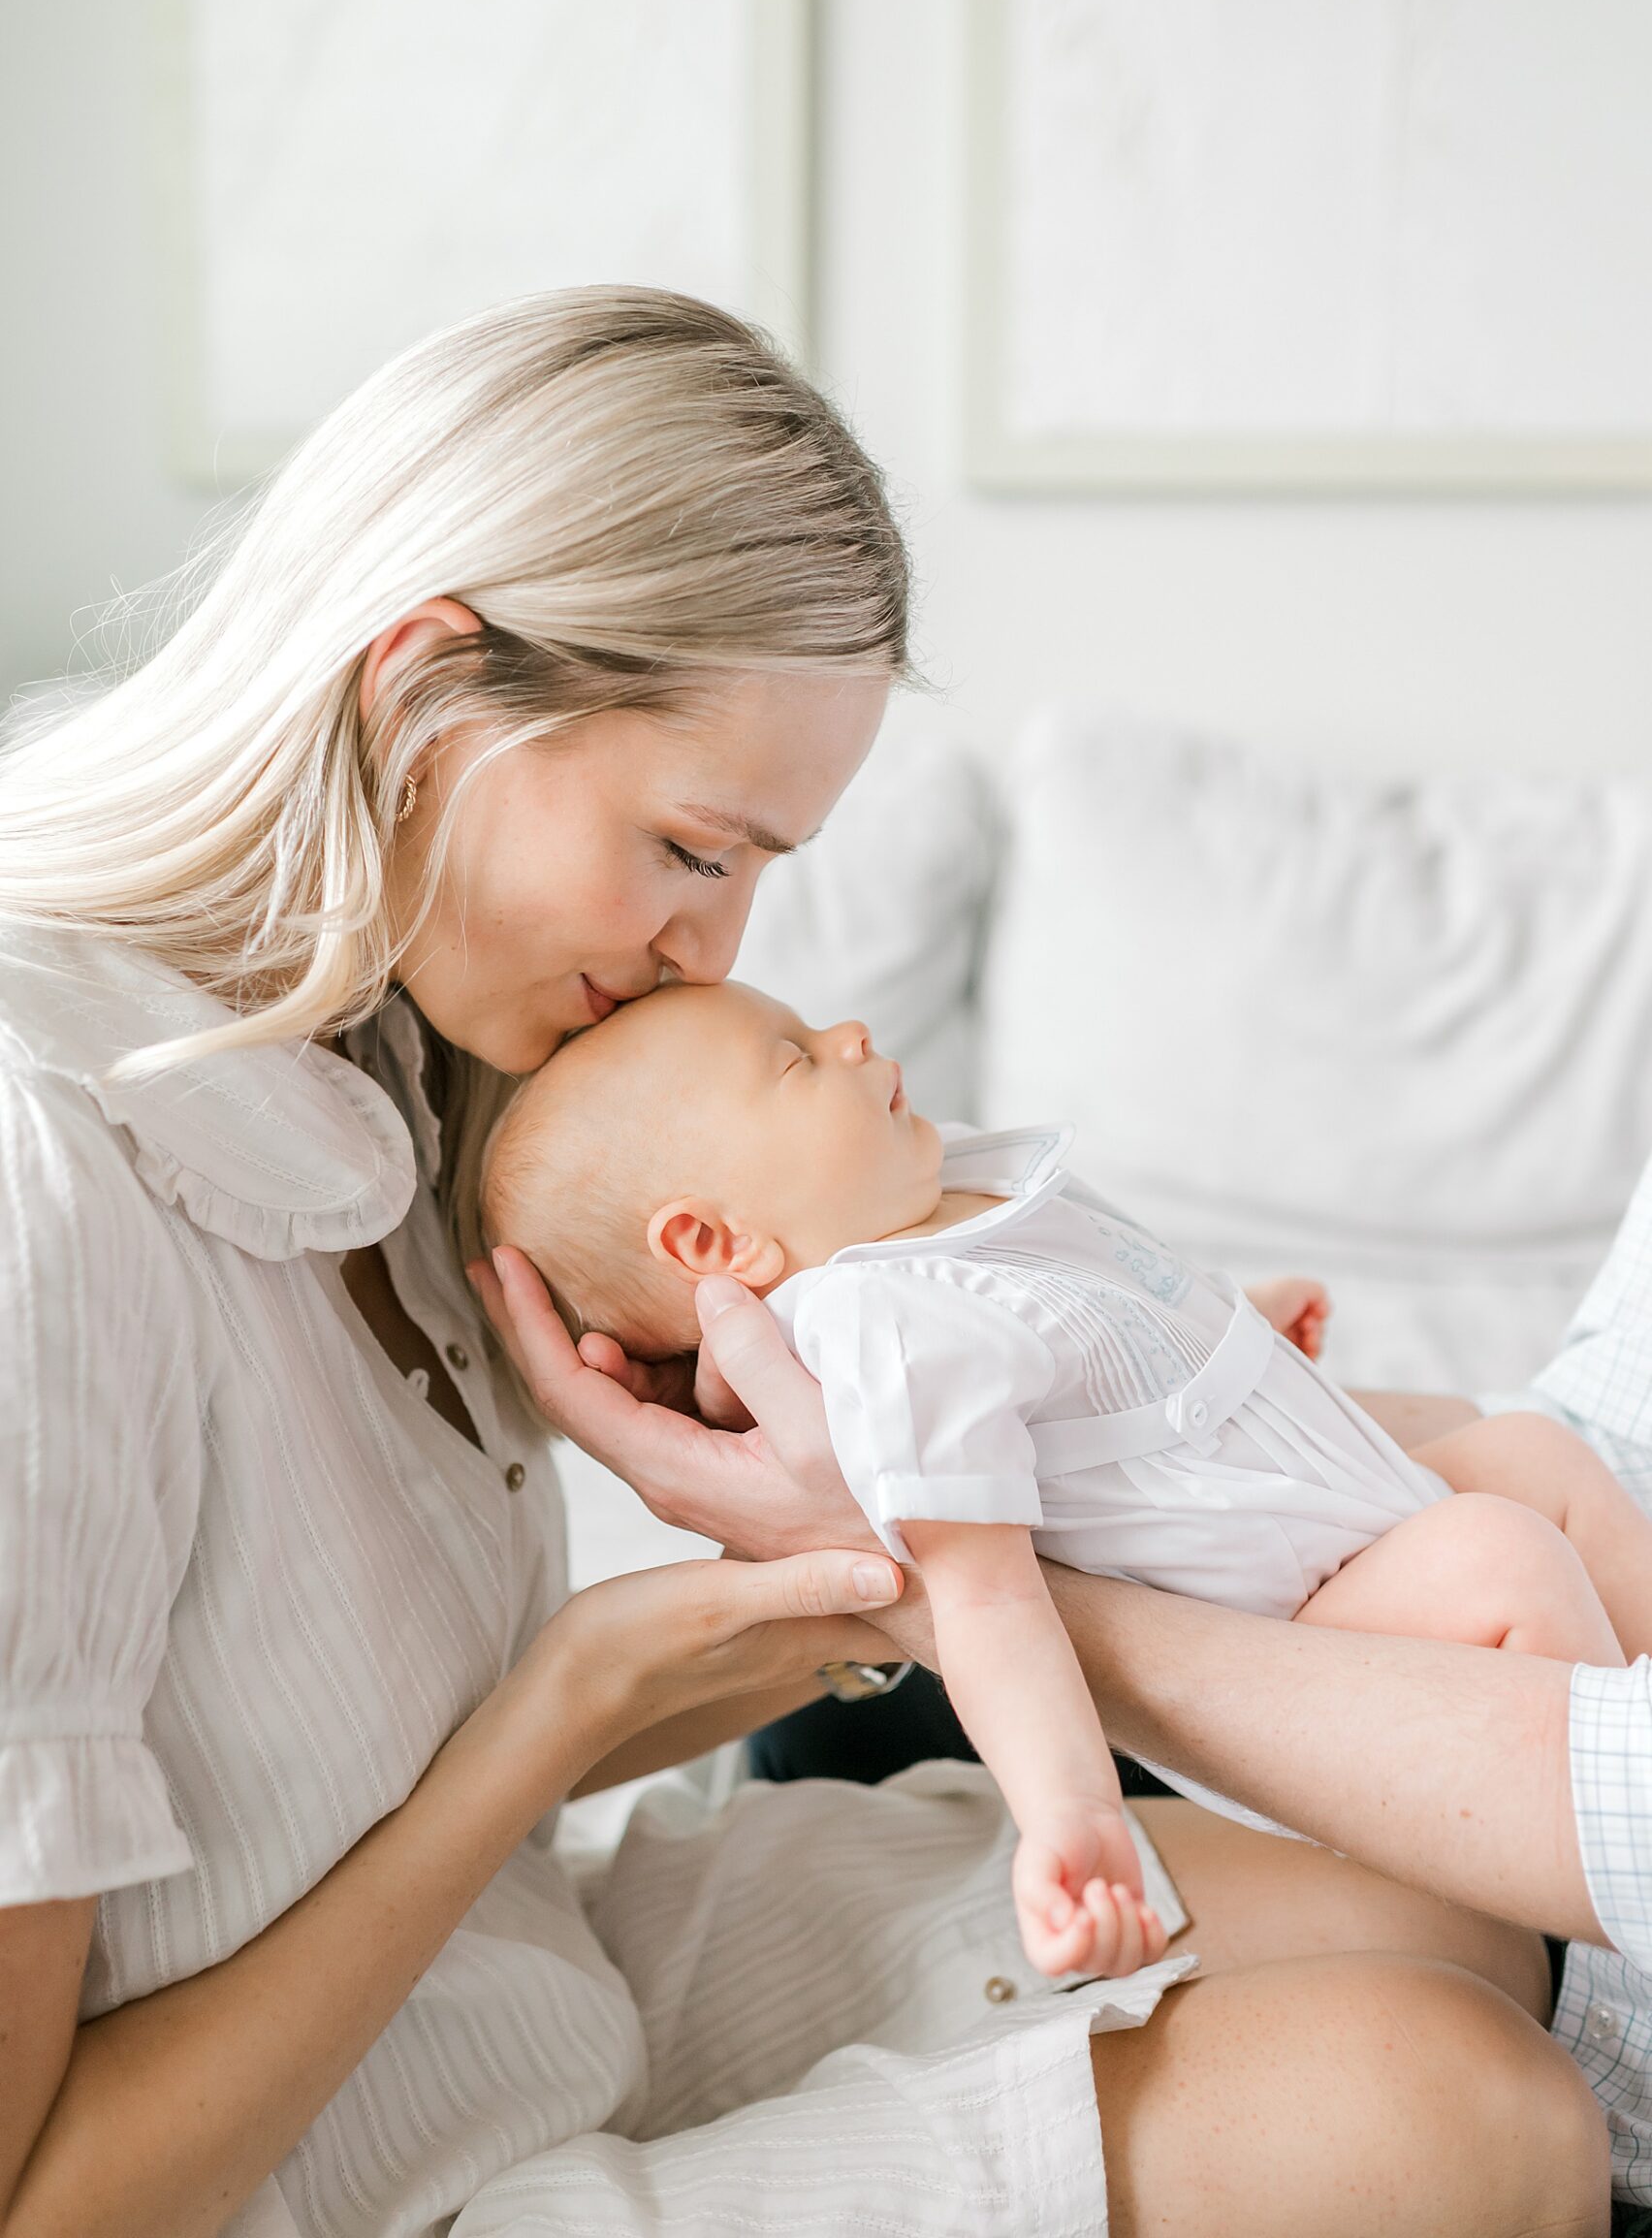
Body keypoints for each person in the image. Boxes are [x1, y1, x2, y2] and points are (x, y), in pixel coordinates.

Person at [0, 289, 1604, 2238]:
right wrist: (562, 1712)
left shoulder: (426, 1055)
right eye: (691, 846)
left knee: (1488, 1925)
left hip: (519, 1980)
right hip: (321, 2159)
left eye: (764, 867)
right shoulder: (51, 1169)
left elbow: (426, 1719)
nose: (720, 951)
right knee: (1462, 2120)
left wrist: (870, 1548)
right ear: (425, 695)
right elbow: (49, 2195)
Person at [479, 975, 1652, 1981]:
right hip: (1292, 1620)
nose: (846, 1035)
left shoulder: (943, 1208)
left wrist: (1230, 1328)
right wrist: (1073, 1817)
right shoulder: (880, 1327)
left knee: (1528, 1456)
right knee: (1501, 1553)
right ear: (710, 1243)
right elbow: (982, 1597)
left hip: (1306, 1512)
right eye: (791, 1058)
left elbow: (1088, 1346)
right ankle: (1602, 1920)